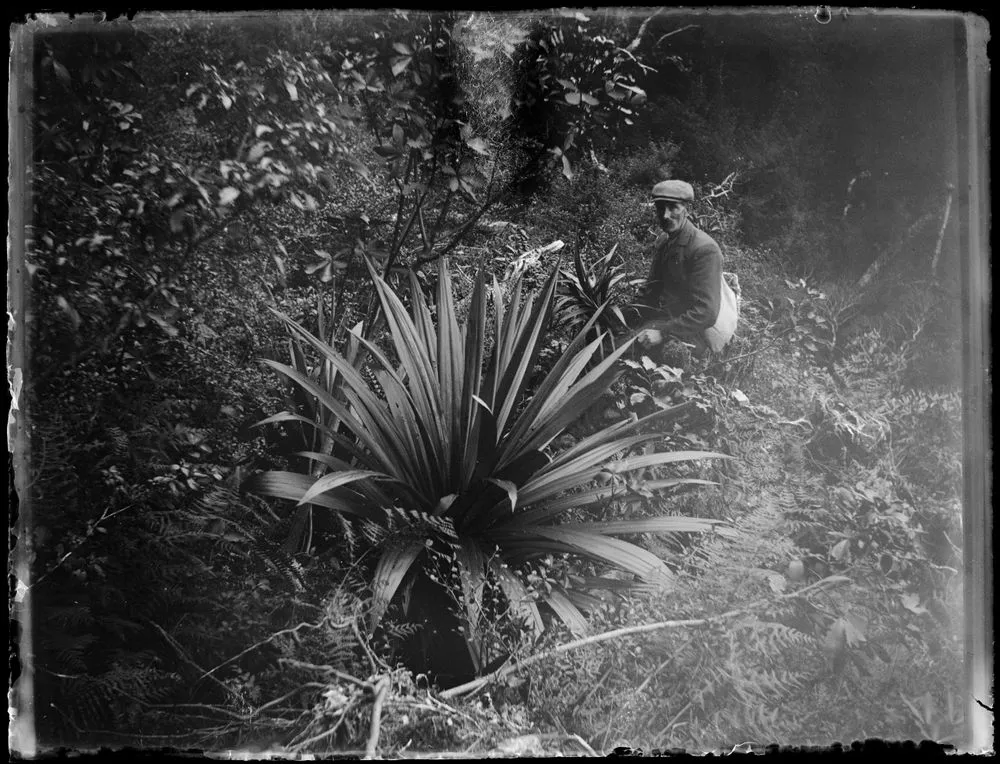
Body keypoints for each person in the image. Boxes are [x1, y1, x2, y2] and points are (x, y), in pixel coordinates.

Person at [630, 180, 738, 358]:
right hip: (664, 322)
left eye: (673, 208)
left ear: (687, 210)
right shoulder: (665, 242)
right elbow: (650, 291)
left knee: (618, 355)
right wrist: (621, 315)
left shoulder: (705, 249)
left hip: (691, 336)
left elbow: (707, 312)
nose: (665, 215)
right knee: (610, 343)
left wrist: (663, 332)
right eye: (660, 208)